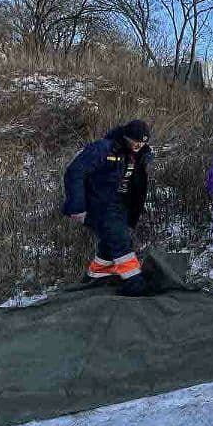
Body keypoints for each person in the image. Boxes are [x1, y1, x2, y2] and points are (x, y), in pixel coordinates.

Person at [63, 120, 154, 297]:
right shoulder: (103, 148)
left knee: (109, 240)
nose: (139, 145)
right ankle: (134, 282)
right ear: (126, 136)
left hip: (121, 205)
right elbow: (75, 171)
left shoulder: (141, 154)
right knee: (120, 240)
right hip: (99, 204)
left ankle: (97, 275)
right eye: (135, 141)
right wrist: (77, 207)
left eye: (142, 142)